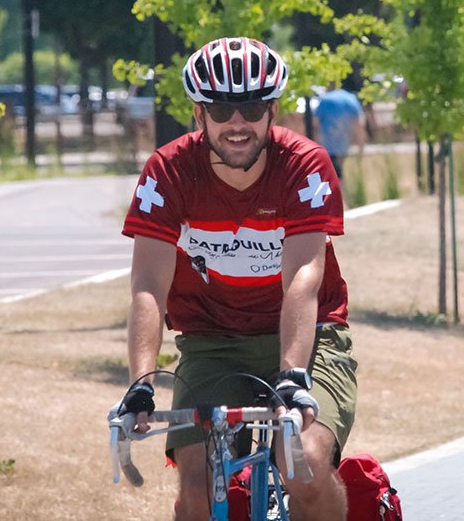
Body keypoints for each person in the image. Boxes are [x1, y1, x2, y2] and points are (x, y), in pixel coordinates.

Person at [119, 37, 358, 521]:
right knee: (197, 492)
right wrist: (141, 383)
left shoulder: (305, 167)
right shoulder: (167, 173)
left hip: (309, 339)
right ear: (198, 113)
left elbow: (303, 279)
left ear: (272, 110)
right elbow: (148, 285)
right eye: (221, 109)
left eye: (250, 107)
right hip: (212, 343)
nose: (236, 123)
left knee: (304, 466)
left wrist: (291, 375)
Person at [314, 85, 366, 178]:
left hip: (328, 148)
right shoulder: (351, 98)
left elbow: (315, 124)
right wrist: (361, 148)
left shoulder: (325, 99)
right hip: (347, 147)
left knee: (333, 180)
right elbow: (359, 125)